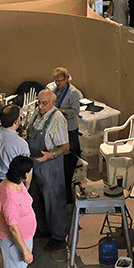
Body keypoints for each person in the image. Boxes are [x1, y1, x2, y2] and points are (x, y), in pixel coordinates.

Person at [0, 104, 31, 268]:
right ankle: (15, 258)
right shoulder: (20, 144)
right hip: (11, 185)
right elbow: (25, 171)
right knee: (15, 223)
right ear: (17, 121)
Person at [27, 89, 69, 252]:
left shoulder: (57, 119)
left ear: (53, 103)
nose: (41, 106)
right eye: (39, 102)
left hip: (50, 165)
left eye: (44, 103)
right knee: (36, 198)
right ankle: (42, 229)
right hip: (35, 162)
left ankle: (58, 237)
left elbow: (65, 146)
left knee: (54, 201)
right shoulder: (37, 114)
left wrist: (51, 154)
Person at [46, 67, 81, 205]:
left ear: (67, 79)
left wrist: (60, 110)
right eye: (56, 81)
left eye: (60, 81)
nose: (58, 83)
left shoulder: (72, 93)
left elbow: (75, 111)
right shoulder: (55, 90)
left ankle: (68, 199)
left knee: (69, 163)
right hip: (60, 128)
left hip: (70, 129)